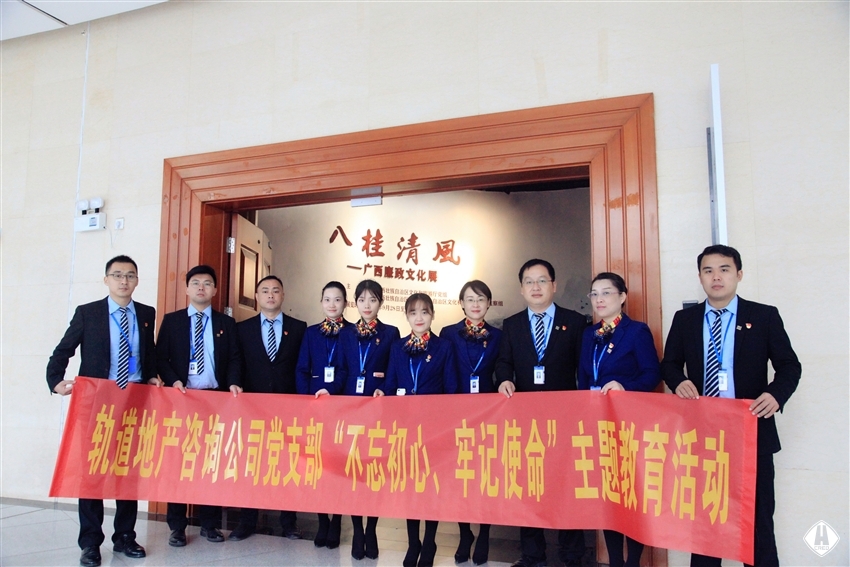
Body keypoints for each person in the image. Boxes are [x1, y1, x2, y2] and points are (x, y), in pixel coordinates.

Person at [661, 245, 801, 567]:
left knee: (757, 521)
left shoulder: (763, 316)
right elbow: (668, 364)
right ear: (700, 277)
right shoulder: (685, 319)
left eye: (724, 269)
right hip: (703, 436)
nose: (716, 277)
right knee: (705, 521)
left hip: (751, 433)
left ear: (738, 274)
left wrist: (775, 395)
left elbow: (789, 366)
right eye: (708, 271)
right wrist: (678, 381)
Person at [46, 255, 156, 567]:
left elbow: (148, 353)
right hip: (98, 403)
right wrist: (55, 381)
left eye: (130, 275)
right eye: (117, 275)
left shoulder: (146, 314)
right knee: (92, 473)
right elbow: (63, 350)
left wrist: (152, 375)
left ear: (137, 281)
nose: (124, 281)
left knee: (128, 472)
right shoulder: (89, 312)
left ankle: (125, 537)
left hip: (135, 402)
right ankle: (90, 542)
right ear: (106, 279)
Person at [495, 259, 587, 567]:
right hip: (525, 420)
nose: (536, 287)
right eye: (529, 282)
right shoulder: (512, 324)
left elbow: (584, 367)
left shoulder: (575, 322)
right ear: (521, 289)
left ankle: (572, 554)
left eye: (542, 280)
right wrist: (504, 379)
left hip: (565, 419)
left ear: (554, 285)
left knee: (566, 484)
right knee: (529, 484)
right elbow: (504, 362)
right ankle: (533, 554)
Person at [577, 272, 660, 567]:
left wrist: (625, 387)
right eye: (594, 294)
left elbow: (652, 374)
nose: (599, 299)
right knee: (609, 496)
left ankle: (633, 561)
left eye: (606, 293)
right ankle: (614, 561)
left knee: (632, 496)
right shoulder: (589, 334)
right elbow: (584, 377)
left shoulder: (636, 331)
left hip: (629, 425)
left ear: (622, 297)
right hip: (598, 426)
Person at [156, 265, 241, 547]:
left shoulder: (226, 323)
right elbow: (160, 358)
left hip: (215, 400)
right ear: (187, 288)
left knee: (211, 463)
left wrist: (233, 382)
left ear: (214, 290)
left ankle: (209, 524)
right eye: (195, 283)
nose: (201, 287)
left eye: (207, 283)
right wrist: (174, 380)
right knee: (179, 463)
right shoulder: (173, 321)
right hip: (182, 399)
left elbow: (234, 358)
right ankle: (177, 526)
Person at [228, 275, 307, 542]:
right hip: (253, 407)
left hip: (289, 407)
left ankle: (289, 522)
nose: (270, 295)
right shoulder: (243, 328)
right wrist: (234, 382)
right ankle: (247, 521)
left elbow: (302, 365)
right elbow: (236, 361)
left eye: (275, 290)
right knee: (252, 464)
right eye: (265, 291)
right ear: (257, 297)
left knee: (287, 464)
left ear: (283, 295)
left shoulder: (298, 328)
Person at [382, 293, 458, 567]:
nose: (419, 318)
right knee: (410, 488)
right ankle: (413, 542)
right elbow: (391, 385)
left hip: (433, 429)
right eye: (413, 312)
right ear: (406, 316)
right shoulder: (397, 347)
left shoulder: (444, 347)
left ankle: (430, 541)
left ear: (432, 315)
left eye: (424, 312)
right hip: (405, 429)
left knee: (430, 487)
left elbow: (451, 389)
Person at [438, 280, 502, 565]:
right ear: (461, 303)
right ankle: (465, 533)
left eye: (481, 299)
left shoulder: (499, 336)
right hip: (456, 413)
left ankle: (485, 533)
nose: (476, 304)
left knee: (484, 476)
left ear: (488, 303)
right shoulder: (448, 334)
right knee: (460, 476)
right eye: (470, 299)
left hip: (489, 414)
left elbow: (503, 370)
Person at [337, 279, 400, 560]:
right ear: (355, 302)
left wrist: (384, 389)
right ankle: (357, 531)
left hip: (377, 412)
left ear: (380, 303)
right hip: (350, 411)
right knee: (352, 473)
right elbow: (341, 369)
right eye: (362, 299)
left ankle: (371, 529)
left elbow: (394, 370)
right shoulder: (346, 333)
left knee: (374, 473)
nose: (367, 305)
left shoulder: (390, 333)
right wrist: (329, 392)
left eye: (372, 300)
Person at [295, 281, 351, 549]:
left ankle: (337, 520)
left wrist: (332, 391)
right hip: (315, 408)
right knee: (318, 465)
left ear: (345, 303)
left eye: (337, 299)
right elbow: (302, 368)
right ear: (321, 302)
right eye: (327, 299)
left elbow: (350, 369)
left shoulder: (353, 332)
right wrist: (308, 399)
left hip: (341, 406)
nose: (332, 304)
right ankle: (322, 521)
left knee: (338, 465)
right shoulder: (311, 333)